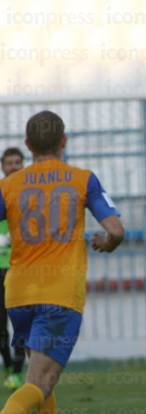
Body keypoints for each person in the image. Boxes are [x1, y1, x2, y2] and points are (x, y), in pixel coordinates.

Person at [0, 110, 124, 414]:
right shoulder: (83, 179)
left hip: (18, 295)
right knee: (40, 382)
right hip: (59, 296)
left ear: (28, 145)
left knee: (39, 379)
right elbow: (117, 230)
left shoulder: (9, 185)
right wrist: (107, 243)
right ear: (64, 141)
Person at [0, 148, 26, 390]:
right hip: (0, 268)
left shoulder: (29, 195)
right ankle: (8, 366)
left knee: (20, 320)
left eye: (18, 162)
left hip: (21, 268)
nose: (14, 167)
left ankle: (18, 371)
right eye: (9, 163)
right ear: (2, 166)